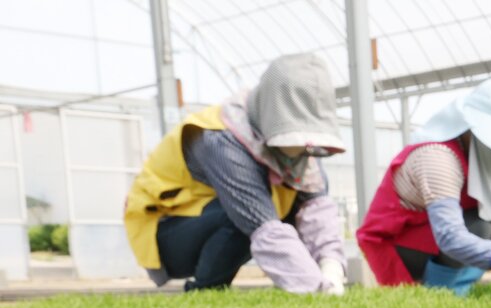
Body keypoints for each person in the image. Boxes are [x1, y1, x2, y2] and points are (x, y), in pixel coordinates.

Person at [124, 53, 347, 294]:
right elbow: (261, 222)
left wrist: (331, 269)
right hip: (168, 232)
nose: (305, 151)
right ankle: (206, 290)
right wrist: (317, 290)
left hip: (210, 217)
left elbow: (316, 208)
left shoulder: (301, 152)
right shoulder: (220, 140)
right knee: (241, 212)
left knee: (292, 204)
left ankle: (301, 284)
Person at [357, 78, 491, 295]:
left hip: (438, 237)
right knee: (479, 228)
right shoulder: (437, 157)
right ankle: (439, 292)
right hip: (402, 243)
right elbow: (450, 235)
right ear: (471, 127)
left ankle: (461, 286)